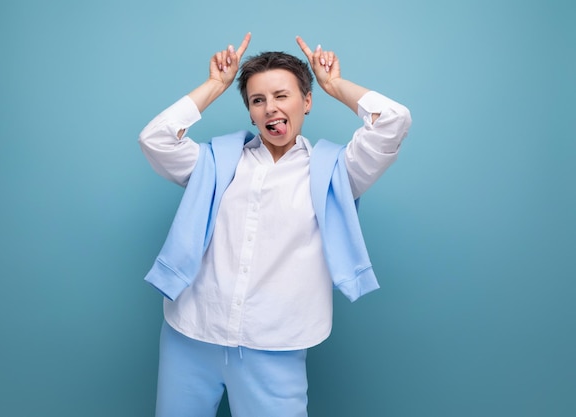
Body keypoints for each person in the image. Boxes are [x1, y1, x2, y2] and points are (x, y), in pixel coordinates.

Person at [138, 32, 411, 417]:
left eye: (282, 96)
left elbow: (394, 121)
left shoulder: (337, 172)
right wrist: (215, 85)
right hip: (191, 335)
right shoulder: (215, 163)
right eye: (258, 100)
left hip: (274, 348)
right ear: (250, 112)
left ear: (307, 101)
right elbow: (155, 139)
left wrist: (334, 84)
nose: (270, 108)